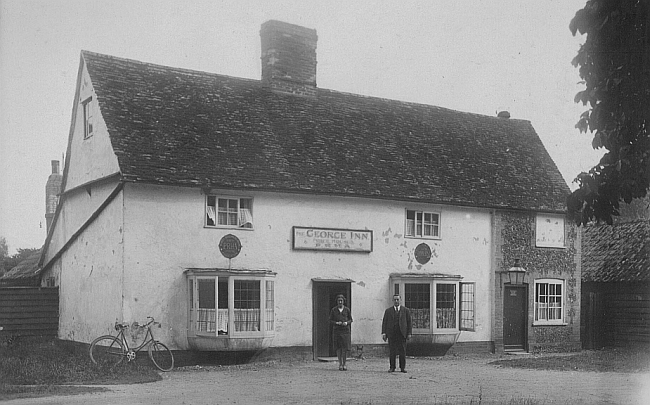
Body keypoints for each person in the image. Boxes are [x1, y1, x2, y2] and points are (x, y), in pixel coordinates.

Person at [381, 294, 412, 373]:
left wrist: (409, 333)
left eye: (398, 299)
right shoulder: (388, 311)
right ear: (392, 301)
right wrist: (384, 333)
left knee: (402, 351)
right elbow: (384, 322)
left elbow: (409, 323)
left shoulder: (405, 310)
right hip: (392, 334)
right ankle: (392, 367)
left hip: (402, 334)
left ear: (400, 300)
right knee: (392, 352)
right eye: (395, 300)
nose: (396, 301)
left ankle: (402, 367)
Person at [329, 294, 353, 371]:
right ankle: (340, 364)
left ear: (343, 301)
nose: (340, 302)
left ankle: (345, 364)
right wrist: (336, 323)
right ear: (337, 302)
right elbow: (330, 320)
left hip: (345, 331)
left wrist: (346, 323)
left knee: (344, 348)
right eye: (338, 301)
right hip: (337, 331)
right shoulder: (333, 310)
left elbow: (351, 320)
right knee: (338, 348)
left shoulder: (347, 310)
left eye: (341, 301)